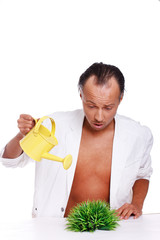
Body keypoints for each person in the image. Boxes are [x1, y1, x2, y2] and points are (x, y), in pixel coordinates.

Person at [0, 62, 153, 220]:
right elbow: (9, 161)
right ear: (81, 95)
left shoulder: (138, 135)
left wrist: (136, 204)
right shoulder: (54, 126)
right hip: (55, 227)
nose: (99, 117)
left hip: (111, 227)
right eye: (91, 105)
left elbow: (143, 174)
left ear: (120, 99)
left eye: (108, 107)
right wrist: (22, 135)